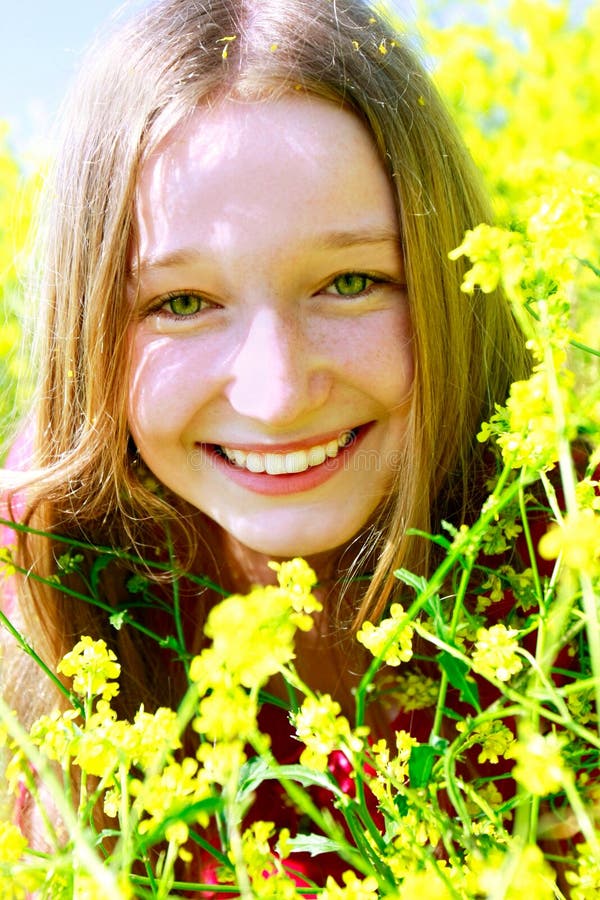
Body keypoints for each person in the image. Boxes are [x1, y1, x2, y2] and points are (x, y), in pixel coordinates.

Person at [0, 0, 532, 889]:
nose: (278, 395)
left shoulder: (566, 546)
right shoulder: (35, 581)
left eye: (352, 282)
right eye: (180, 303)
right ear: (85, 328)